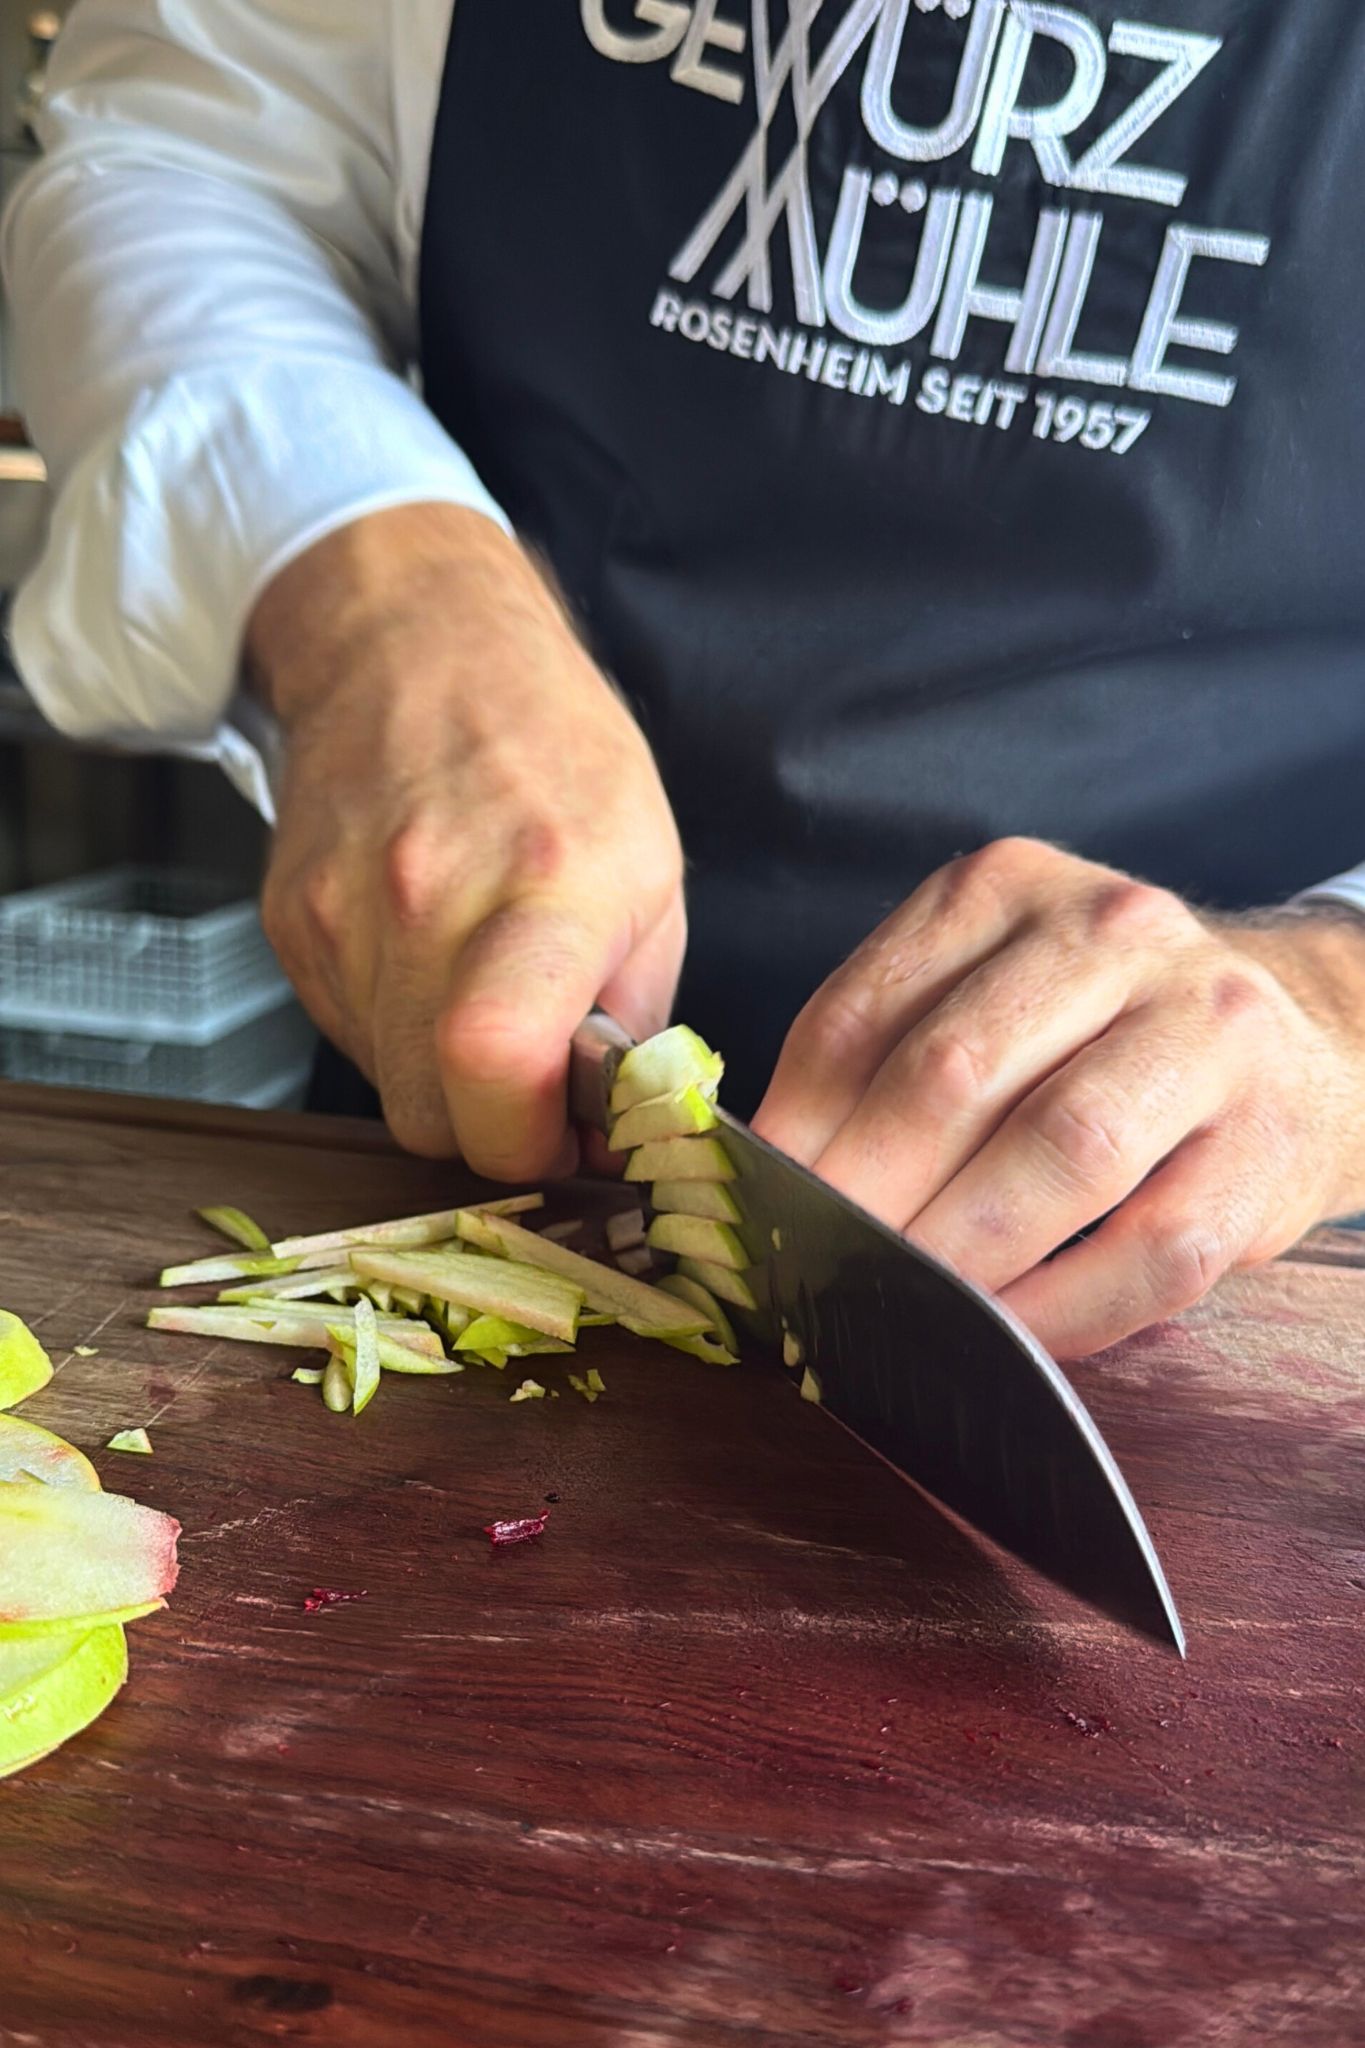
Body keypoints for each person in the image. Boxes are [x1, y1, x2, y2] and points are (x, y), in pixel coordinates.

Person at [9, 0, 1365, 1361]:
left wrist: (1331, 1008)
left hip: (1245, 1277)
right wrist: (385, 591)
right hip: (476, 1113)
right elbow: (186, 151)